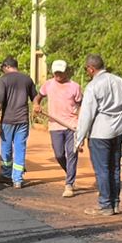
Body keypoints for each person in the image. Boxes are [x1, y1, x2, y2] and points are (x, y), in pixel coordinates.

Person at [74, 54, 122, 215]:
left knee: (103, 169)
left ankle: (105, 204)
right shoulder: (119, 81)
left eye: (87, 69)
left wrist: (79, 138)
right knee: (115, 167)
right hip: (118, 129)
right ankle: (115, 203)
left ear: (91, 68)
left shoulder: (93, 86)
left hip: (100, 133)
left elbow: (87, 114)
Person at [36, 59, 82, 197]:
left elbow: (83, 105)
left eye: (60, 72)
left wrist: (81, 123)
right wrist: (36, 105)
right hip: (55, 125)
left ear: (66, 72)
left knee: (72, 153)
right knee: (59, 154)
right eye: (56, 72)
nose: (58, 75)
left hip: (71, 126)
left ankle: (69, 184)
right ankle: (70, 173)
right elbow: (38, 97)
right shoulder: (48, 85)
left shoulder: (75, 87)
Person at [0, 56, 36, 187]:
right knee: (20, 148)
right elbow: (35, 98)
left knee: (6, 148)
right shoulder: (27, 79)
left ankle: (6, 175)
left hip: (8, 121)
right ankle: (17, 180)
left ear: (6, 67)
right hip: (22, 120)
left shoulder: (4, 79)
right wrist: (36, 107)